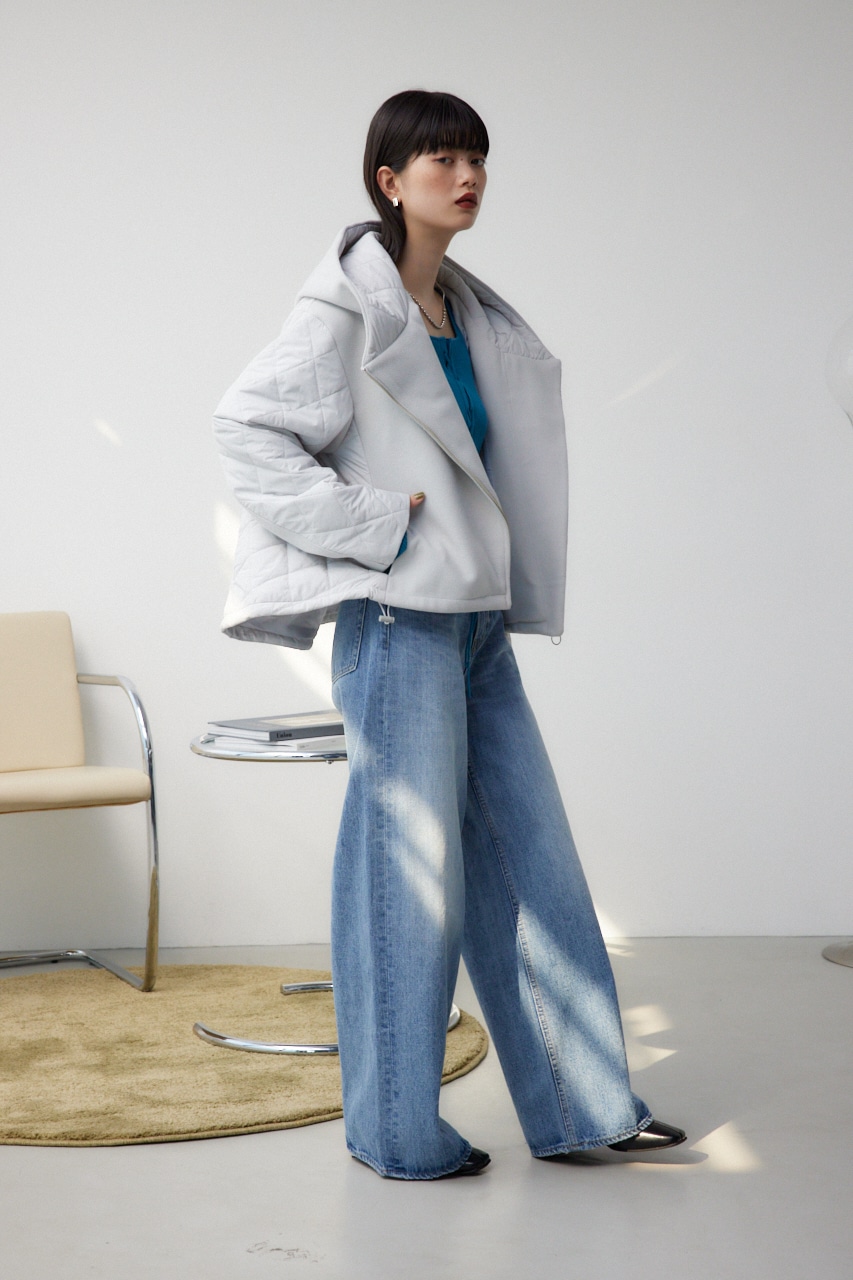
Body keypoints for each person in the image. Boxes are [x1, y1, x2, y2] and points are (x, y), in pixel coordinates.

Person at [213, 89, 685, 1180]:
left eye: (475, 157)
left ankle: (583, 1105)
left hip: (472, 624)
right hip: (397, 622)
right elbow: (246, 429)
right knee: (405, 879)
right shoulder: (343, 308)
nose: (466, 176)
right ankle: (395, 1131)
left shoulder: (462, 310)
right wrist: (374, 526)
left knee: (532, 861)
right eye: (440, 159)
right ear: (389, 181)